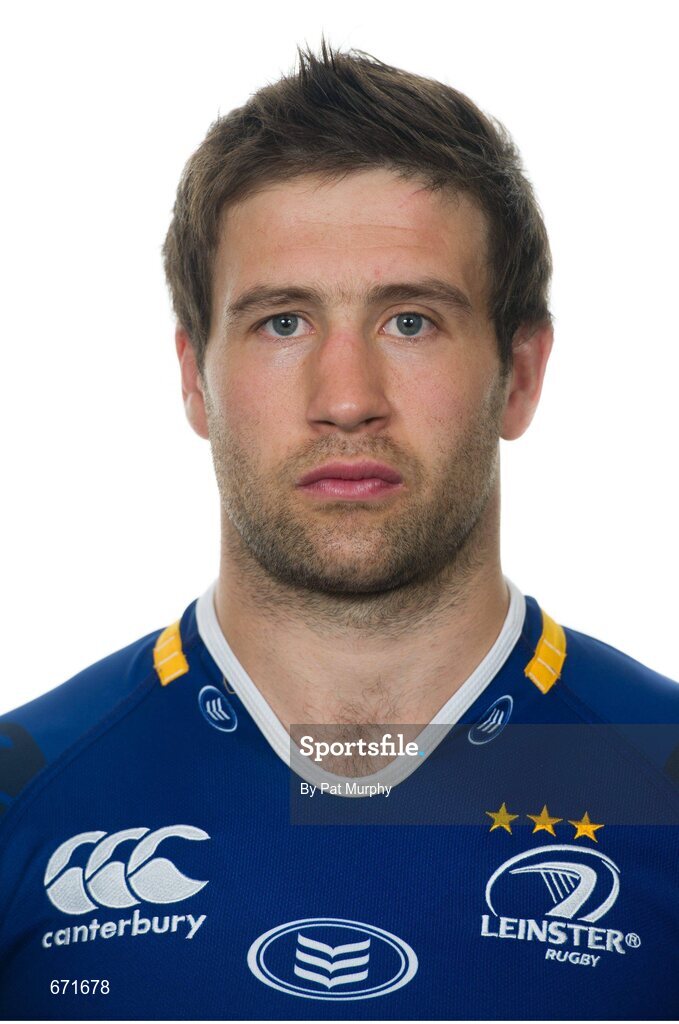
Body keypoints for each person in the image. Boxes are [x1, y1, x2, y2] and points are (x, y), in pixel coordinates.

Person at [0, 41, 677, 1021]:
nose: (347, 399)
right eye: (283, 322)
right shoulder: (23, 797)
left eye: (410, 321)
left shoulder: (657, 776)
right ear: (194, 376)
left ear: (519, 375)